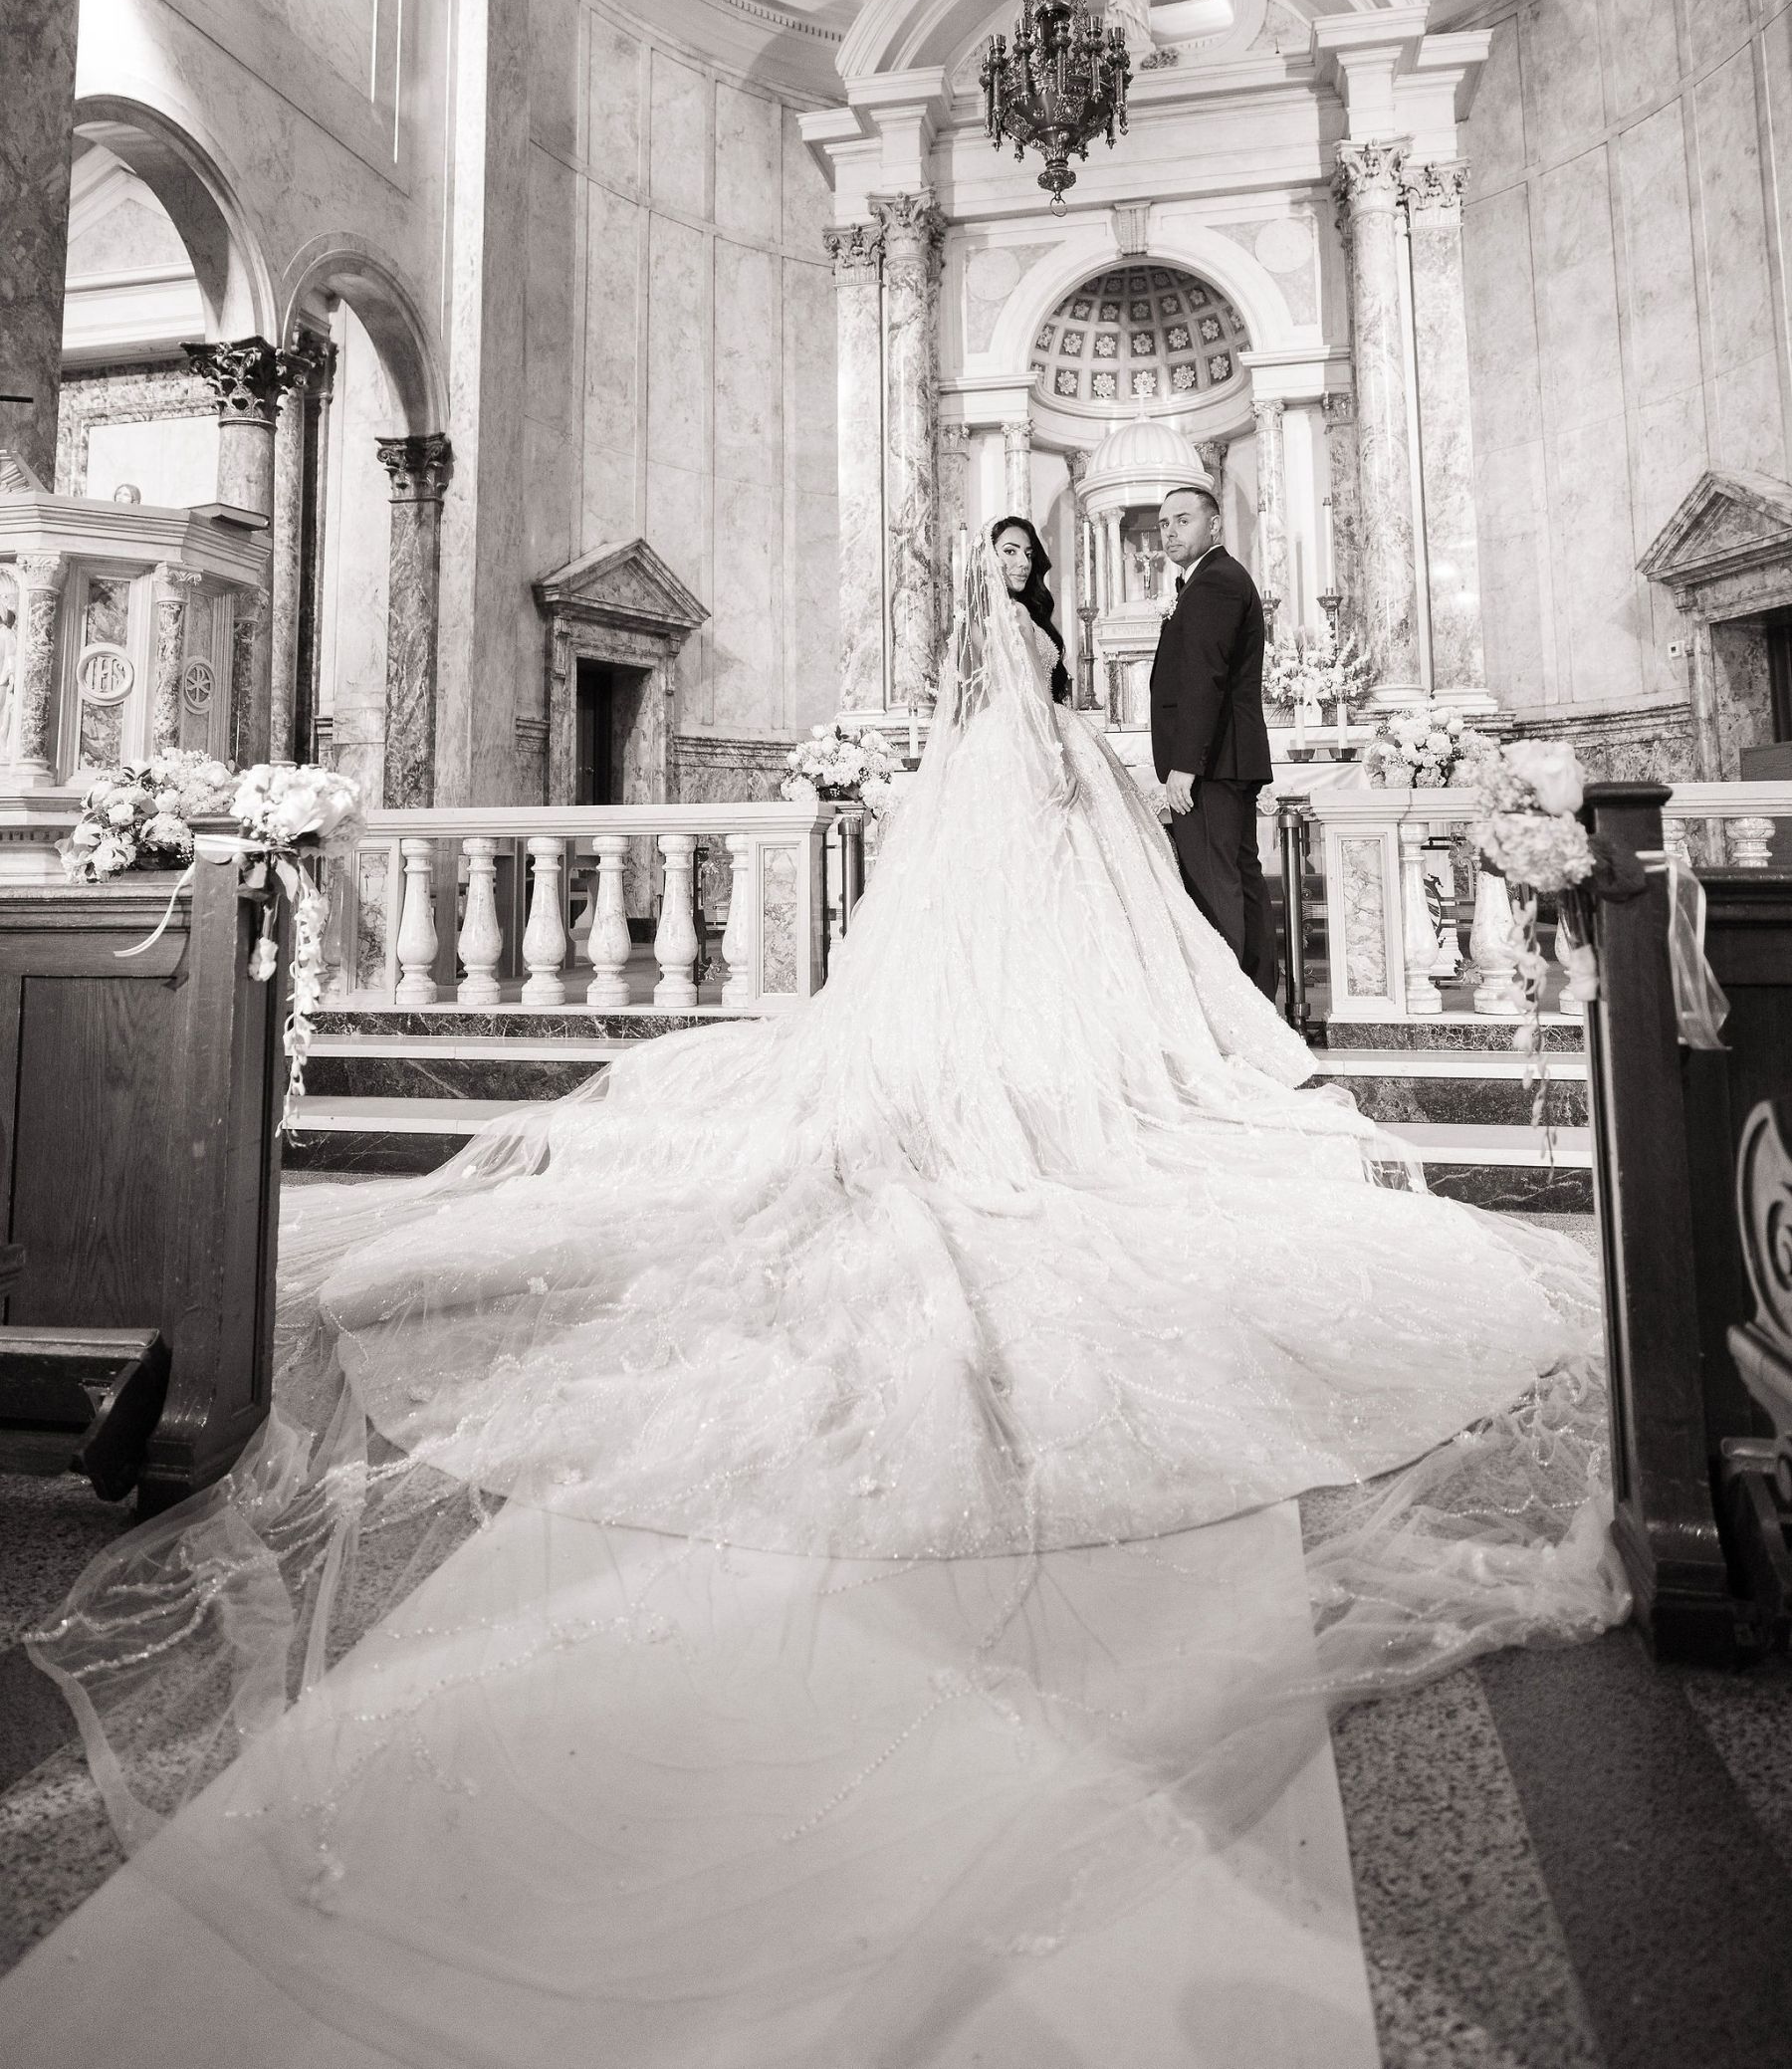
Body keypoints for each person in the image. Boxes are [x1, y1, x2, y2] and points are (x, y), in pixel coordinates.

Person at [17, 520, 1616, 2058]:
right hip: (1002, 819)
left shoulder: (1064, 626)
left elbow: (1052, 708)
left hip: (1051, 816)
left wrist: (1077, 757)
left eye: (1013, 551)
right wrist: (1043, 752)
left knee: (1077, 1000)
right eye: (992, 550)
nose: (1005, 566)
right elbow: (991, 712)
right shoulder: (992, 638)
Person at [1150, 477, 1277, 995]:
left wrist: (1186, 764)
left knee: (1214, 882)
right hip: (1225, 758)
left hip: (1211, 762)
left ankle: (1235, 1007)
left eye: (1183, 520)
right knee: (1239, 876)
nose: (1169, 532)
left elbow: (1206, 676)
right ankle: (1257, 997)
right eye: (1163, 524)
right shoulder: (1214, 578)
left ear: (1214, 524)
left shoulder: (1215, 581)